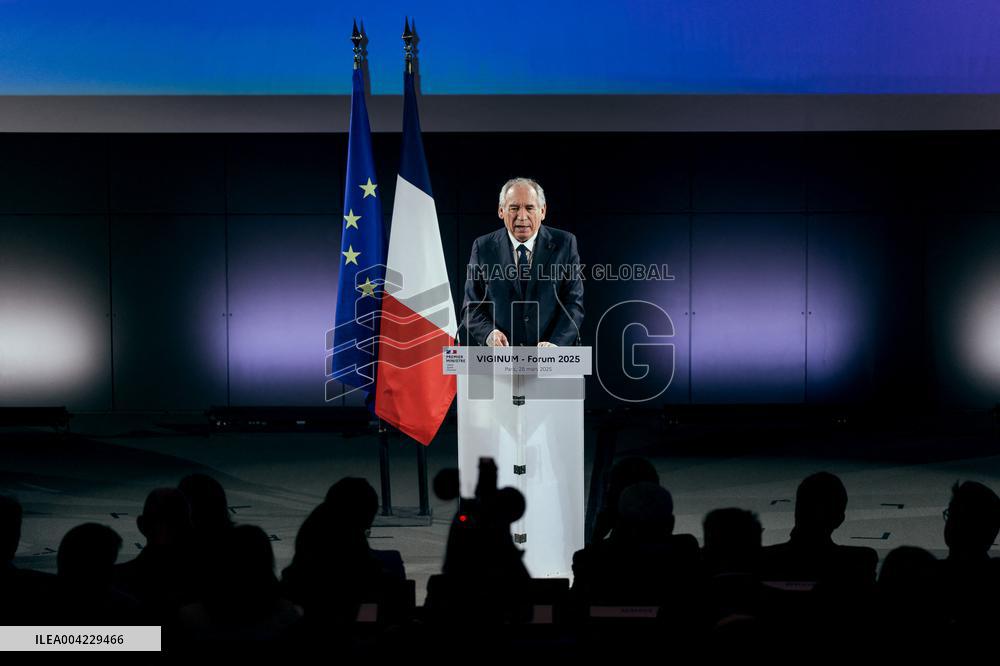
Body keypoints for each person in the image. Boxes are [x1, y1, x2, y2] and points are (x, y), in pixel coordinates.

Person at [459, 177, 584, 347]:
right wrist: (489, 333)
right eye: (514, 208)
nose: (522, 216)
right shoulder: (483, 247)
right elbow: (471, 307)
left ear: (543, 211)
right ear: (501, 211)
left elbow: (573, 305)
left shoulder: (565, 244)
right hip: (500, 361)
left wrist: (556, 344)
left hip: (551, 362)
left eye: (530, 208)